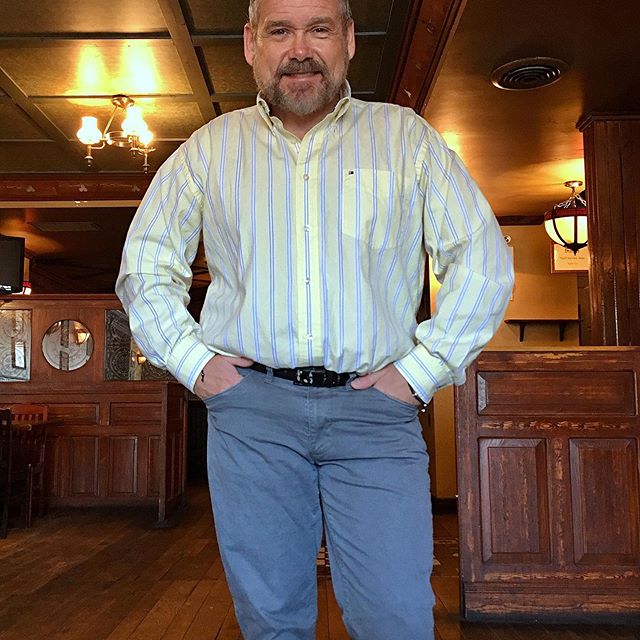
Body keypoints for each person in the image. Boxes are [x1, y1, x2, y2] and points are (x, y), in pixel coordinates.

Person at [116, 0, 514, 637]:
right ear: (251, 44)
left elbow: (483, 262)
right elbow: (145, 268)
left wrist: (421, 371)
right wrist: (196, 365)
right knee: (271, 622)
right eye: (280, 30)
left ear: (348, 39)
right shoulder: (207, 151)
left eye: (319, 29)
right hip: (252, 416)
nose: (299, 49)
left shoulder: (407, 138)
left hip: (376, 417)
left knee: (396, 621)